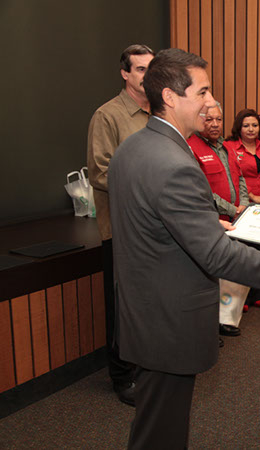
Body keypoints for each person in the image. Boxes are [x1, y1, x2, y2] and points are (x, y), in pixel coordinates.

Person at [108, 48, 260, 449]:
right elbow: (217, 257)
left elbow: (152, 225)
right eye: (204, 91)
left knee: (155, 424)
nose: (211, 102)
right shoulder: (175, 162)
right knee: (162, 433)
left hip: (144, 312)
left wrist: (208, 225)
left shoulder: (134, 147)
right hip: (169, 322)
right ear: (172, 97)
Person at [86, 43, 155, 406]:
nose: (147, 74)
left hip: (155, 230)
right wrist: (148, 185)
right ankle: (121, 376)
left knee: (146, 304)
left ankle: (144, 367)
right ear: (125, 74)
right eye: (141, 69)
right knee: (122, 307)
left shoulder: (159, 114)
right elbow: (100, 172)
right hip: (123, 230)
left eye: (151, 68)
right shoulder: (108, 116)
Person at [187, 104, 249, 337]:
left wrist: (243, 204)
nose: (214, 124)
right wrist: (233, 208)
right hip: (211, 221)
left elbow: (240, 178)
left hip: (235, 220)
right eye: (209, 119)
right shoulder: (191, 147)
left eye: (219, 119)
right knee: (210, 277)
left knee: (231, 273)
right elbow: (201, 190)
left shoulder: (227, 147)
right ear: (199, 119)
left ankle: (225, 321)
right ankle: (209, 328)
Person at [225, 109, 260, 308]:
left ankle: (256, 292)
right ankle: (243, 296)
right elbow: (233, 177)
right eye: (246, 125)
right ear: (239, 128)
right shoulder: (229, 147)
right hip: (244, 206)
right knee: (244, 252)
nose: (251, 129)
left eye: (254, 125)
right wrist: (252, 197)